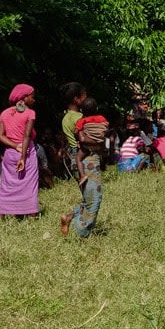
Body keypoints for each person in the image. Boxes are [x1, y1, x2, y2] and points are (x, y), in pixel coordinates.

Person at [63, 100, 109, 238]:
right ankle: (80, 233)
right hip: (87, 161)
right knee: (94, 200)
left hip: (84, 160)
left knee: (88, 199)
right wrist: (99, 142)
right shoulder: (78, 119)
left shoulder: (76, 120)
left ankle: (69, 217)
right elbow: (83, 139)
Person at [0, 83, 41, 219]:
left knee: (8, 184)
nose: (34, 99)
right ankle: (32, 214)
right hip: (26, 152)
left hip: (10, 153)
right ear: (24, 98)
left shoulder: (4, 113)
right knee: (29, 184)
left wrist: (15, 146)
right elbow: (26, 136)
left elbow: (0, 135)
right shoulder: (30, 113)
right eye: (32, 96)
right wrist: (22, 156)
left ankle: (2, 214)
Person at [59, 82, 87, 184]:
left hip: (72, 152)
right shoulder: (80, 117)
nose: (86, 98)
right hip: (82, 151)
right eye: (85, 95)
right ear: (76, 99)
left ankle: (84, 198)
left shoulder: (65, 118)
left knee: (80, 179)